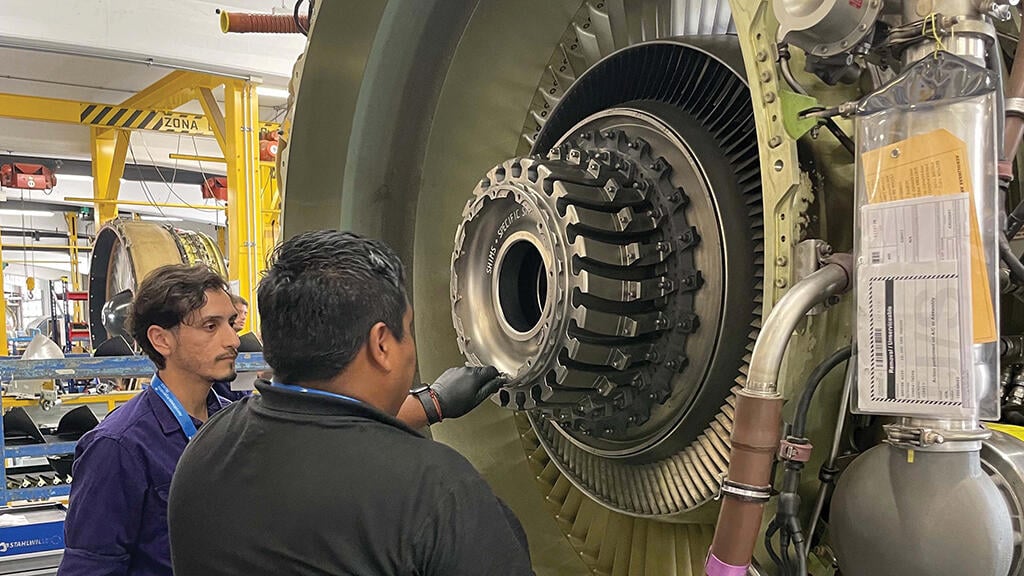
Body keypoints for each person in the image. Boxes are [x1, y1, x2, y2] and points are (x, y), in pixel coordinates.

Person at [59, 262, 500, 576]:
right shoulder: (118, 448)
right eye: (211, 327)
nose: (233, 340)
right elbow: (90, 568)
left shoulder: (229, 413)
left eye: (231, 324)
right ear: (161, 339)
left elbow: (326, 427)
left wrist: (435, 402)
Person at [168, 231, 533, 575]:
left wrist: (431, 403)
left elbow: (324, 436)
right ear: (382, 344)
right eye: (407, 329)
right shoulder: (436, 491)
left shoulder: (205, 448)